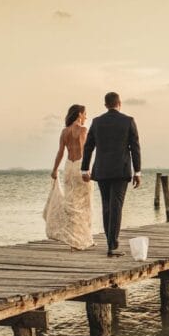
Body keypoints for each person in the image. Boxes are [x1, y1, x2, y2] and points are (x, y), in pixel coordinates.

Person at [81, 91, 141, 257]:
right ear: (119, 103)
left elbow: (88, 146)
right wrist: (138, 171)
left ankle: (110, 242)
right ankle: (112, 245)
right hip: (120, 171)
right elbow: (135, 147)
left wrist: (84, 169)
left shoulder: (97, 122)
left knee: (107, 206)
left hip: (102, 170)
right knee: (116, 206)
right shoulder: (128, 121)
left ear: (106, 104)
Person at [47, 104, 95, 249]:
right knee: (85, 203)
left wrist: (55, 170)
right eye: (85, 114)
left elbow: (60, 152)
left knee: (71, 202)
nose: (86, 117)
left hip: (68, 167)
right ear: (79, 114)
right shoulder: (83, 130)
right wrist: (87, 170)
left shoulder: (64, 132)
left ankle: (74, 238)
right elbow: (85, 151)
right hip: (81, 166)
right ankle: (84, 239)